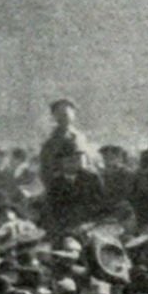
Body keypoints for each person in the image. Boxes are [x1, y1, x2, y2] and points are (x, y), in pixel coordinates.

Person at [38, 98, 100, 228]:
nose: (64, 117)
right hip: (63, 190)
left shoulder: (81, 137)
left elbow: (91, 161)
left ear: (74, 114)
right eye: (59, 114)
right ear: (54, 116)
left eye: (67, 113)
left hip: (85, 186)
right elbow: (46, 169)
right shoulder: (50, 142)